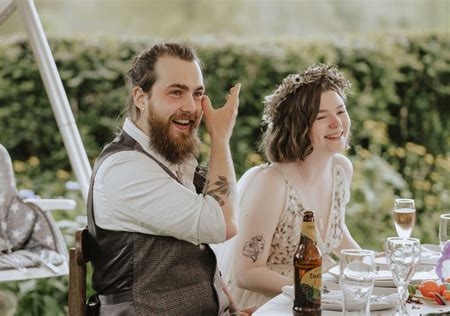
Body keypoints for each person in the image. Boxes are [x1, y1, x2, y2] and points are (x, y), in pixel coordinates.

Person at [87, 43, 241, 315]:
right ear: (140, 97)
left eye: (197, 94)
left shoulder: (168, 157)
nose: (191, 107)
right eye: (176, 92)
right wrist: (220, 138)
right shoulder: (123, 171)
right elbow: (223, 224)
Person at [226, 64, 361, 310]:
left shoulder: (341, 169)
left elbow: (336, 232)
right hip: (272, 303)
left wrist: (375, 266)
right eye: (321, 117)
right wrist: (311, 290)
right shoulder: (271, 183)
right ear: (298, 126)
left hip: (320, 296)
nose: (337, 123)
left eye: (341, 111)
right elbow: (245, 273)